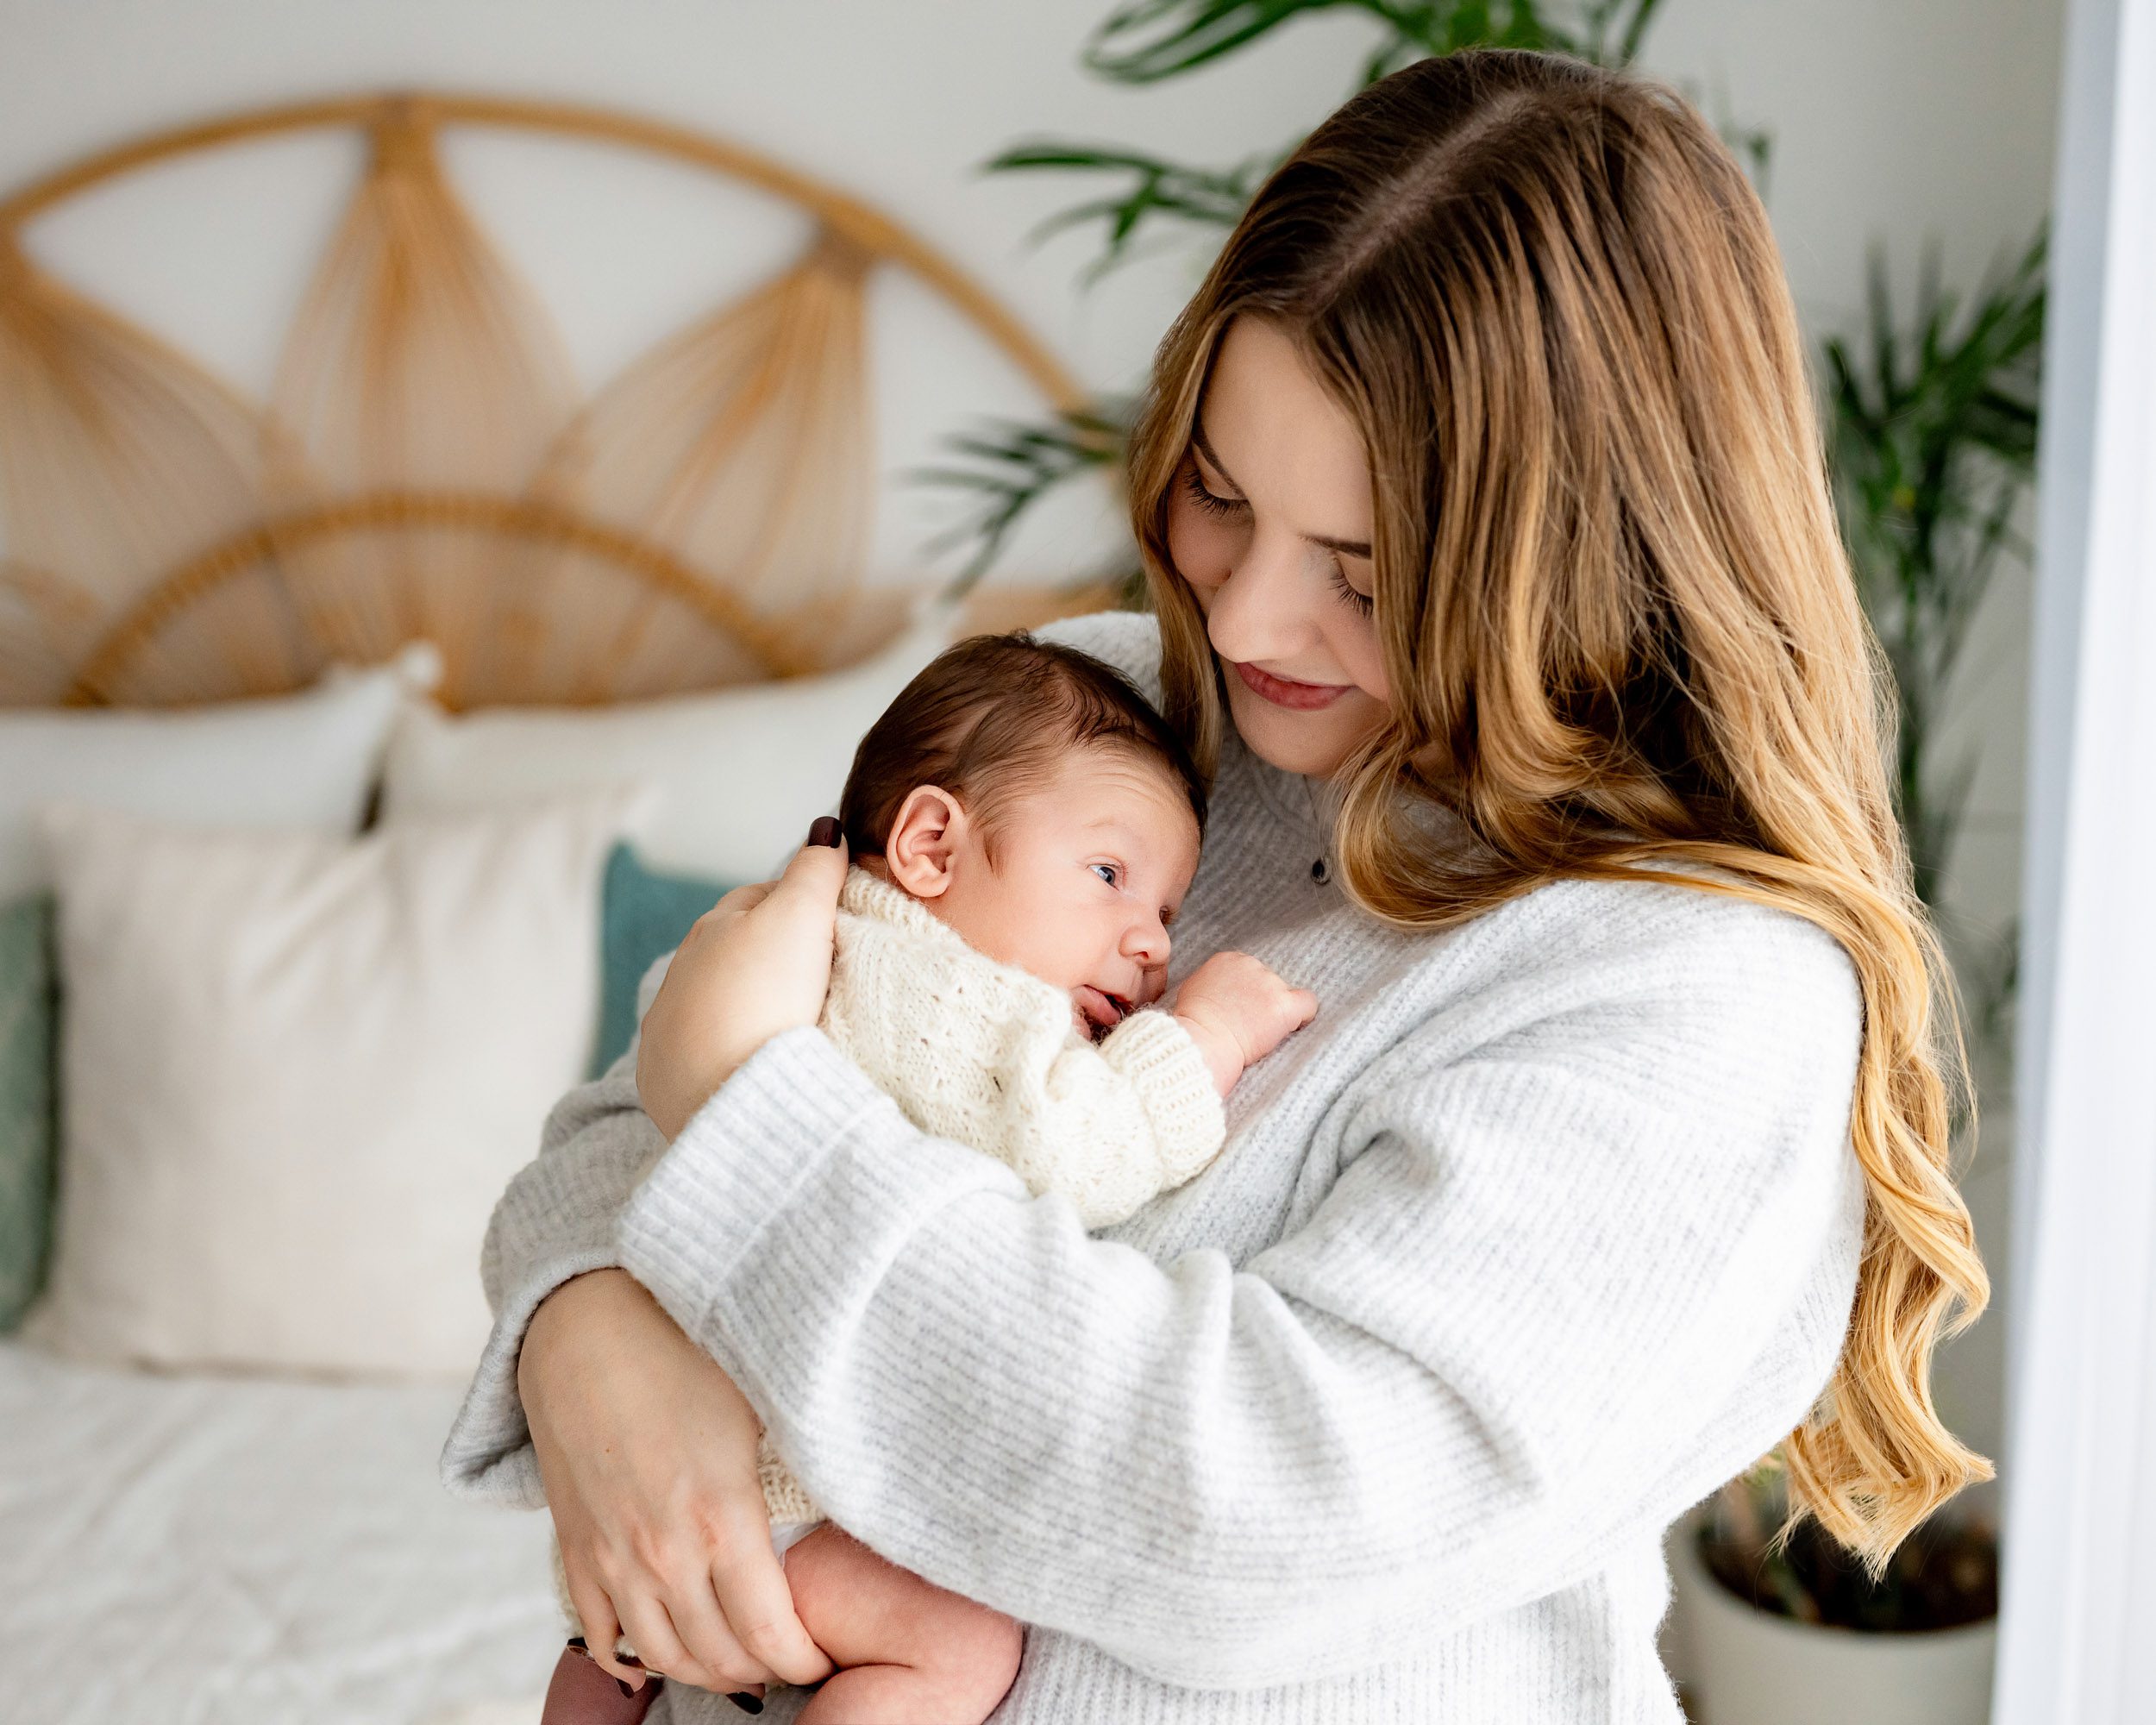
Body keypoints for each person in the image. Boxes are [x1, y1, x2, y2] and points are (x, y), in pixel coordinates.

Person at [442, 47, 1990, 1724]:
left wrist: (742, 1153)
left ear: (1588, 563)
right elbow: (634, 1111)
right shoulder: (1107, 719)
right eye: (1219, 497)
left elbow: (1250, 1517)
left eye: (1364, 572)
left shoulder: (1692, 990)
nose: (1245, 622)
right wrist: (591, 1326)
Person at [536, 631, 1315, 1724]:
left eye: (1169, 914)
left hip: (681, 1473)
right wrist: (1201, 1039)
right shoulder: (952, 997)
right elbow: (1074, 1150)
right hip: (770, 1479)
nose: (1148, 943)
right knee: (953, 1644)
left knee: (611, 1654)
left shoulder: (804, 936)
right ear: (931, 845)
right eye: (1108, 876)